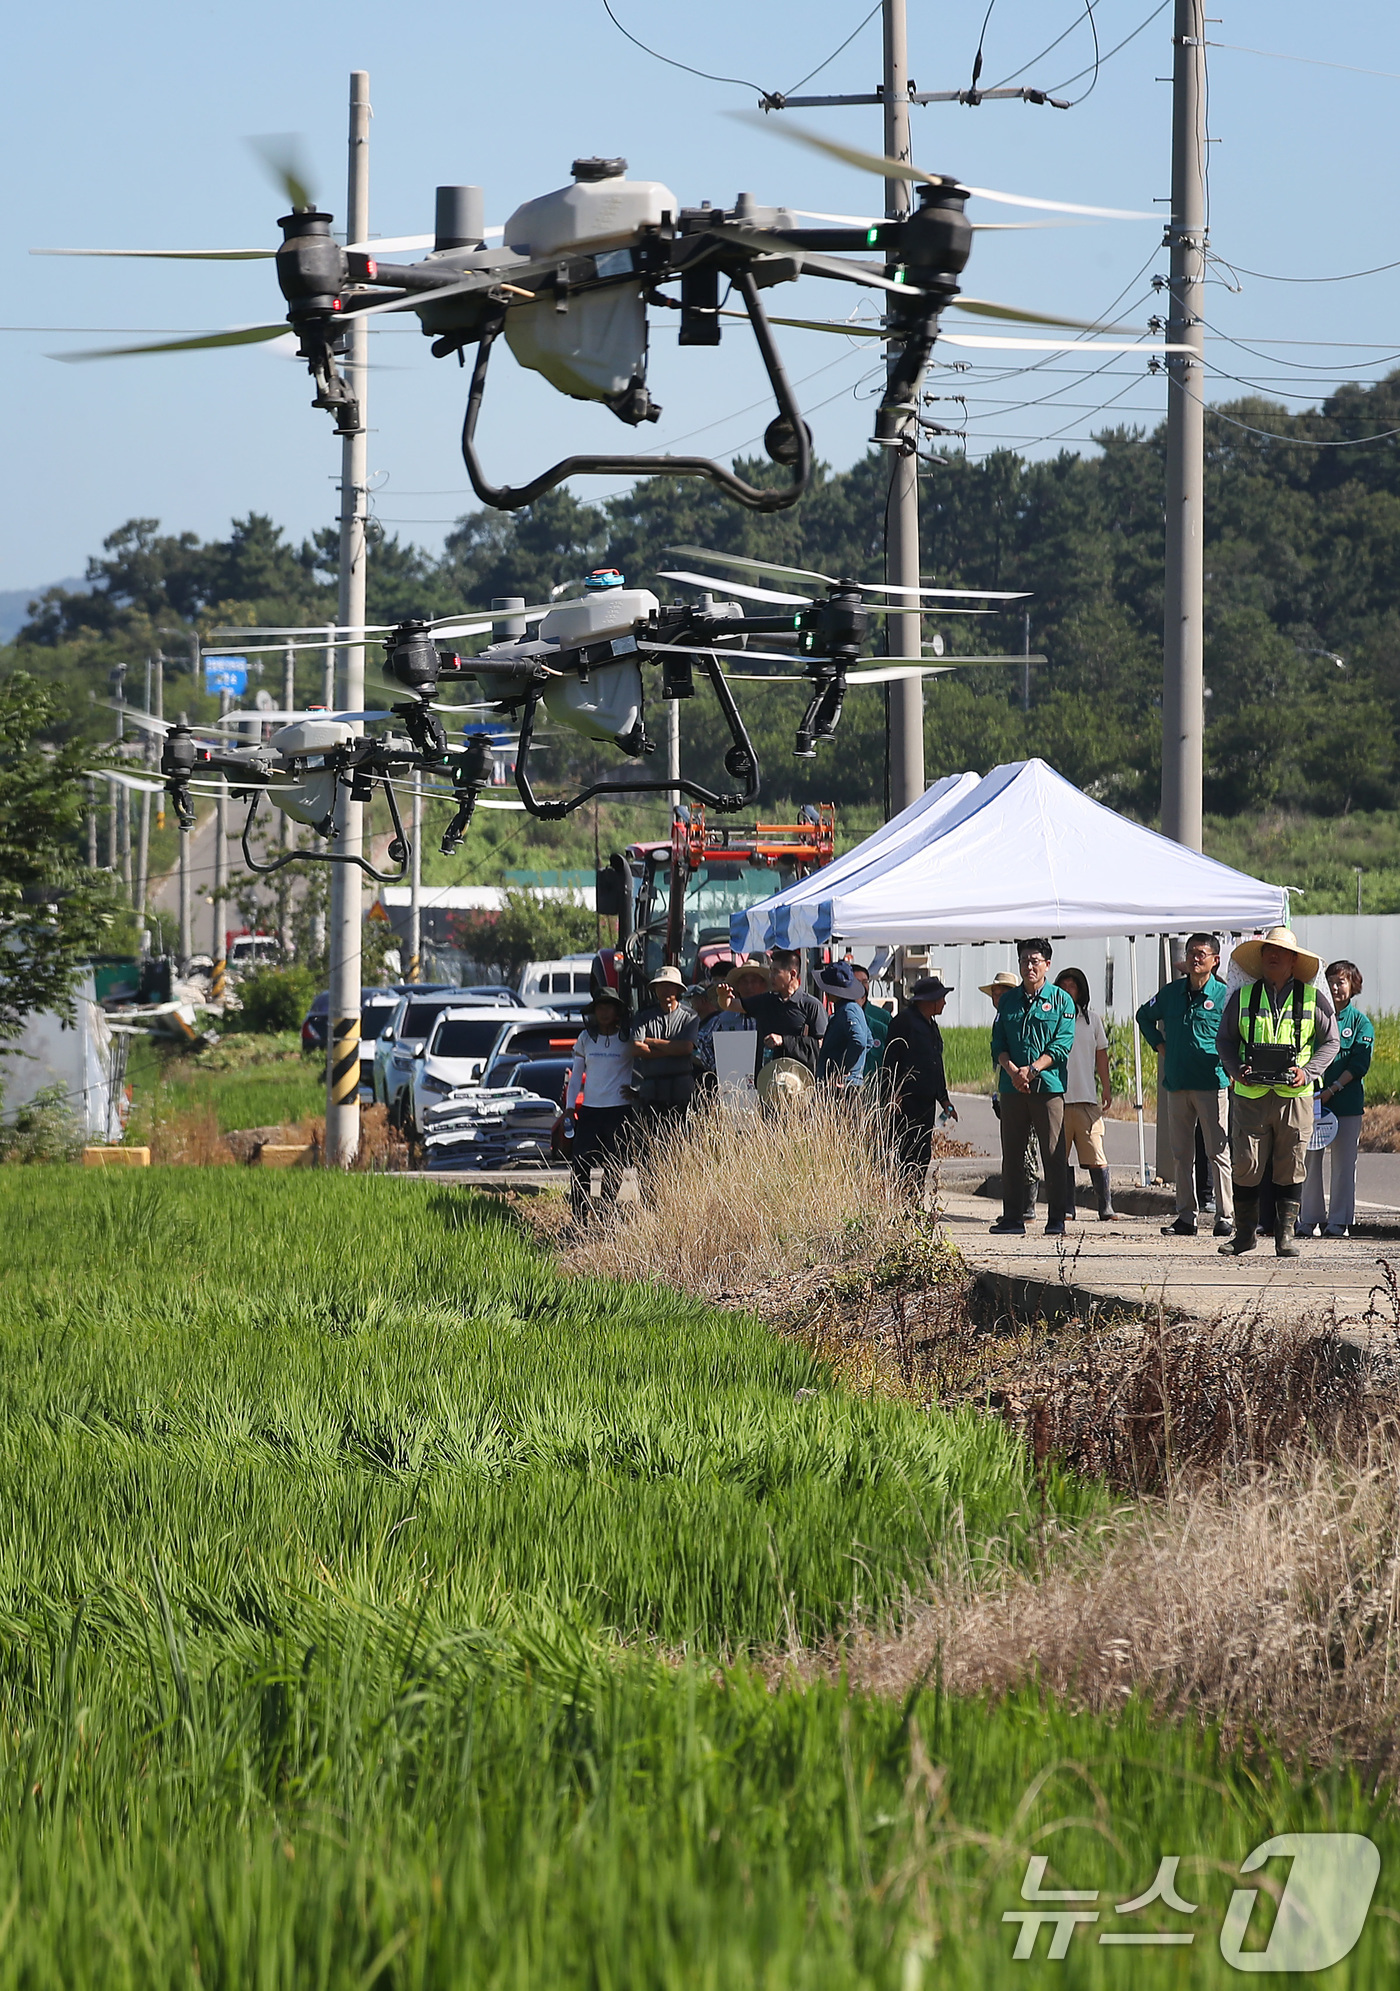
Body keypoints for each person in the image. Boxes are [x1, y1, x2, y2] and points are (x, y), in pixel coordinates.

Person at [1215, 926, 1340, 1258]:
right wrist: (1235, 1068)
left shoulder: (1314, 999)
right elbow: (1224, 1040)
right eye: (1267, 951)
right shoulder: (1243, 997)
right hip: (1251, 1095)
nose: (1271, 956)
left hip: (1294, 1096)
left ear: (1293, 960)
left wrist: (1309, 1072)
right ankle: (1244, 1236)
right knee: (1245, 1164)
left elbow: (1332, 1042)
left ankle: (1284, 1237)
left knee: (1291, 1163)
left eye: (1279, 952)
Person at [1135, 931, 1234, 1239]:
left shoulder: (1224, 995)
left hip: (1211, 1083)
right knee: (1182, 1153)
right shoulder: (1172, 993)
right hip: (1177, 1083)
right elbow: (1143, 1016)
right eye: (1191, 951)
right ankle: (1186, 1216)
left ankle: (1225, 1215)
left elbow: (1237, 1033)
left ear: (1215, 960)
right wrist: (1160, 1046)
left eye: (1202, 953)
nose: (1195, 957)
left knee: (1218, 1152)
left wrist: (1230, 1064)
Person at [989, 939, 1076, 1237]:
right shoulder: (1009, 1001)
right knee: (1012, 1154)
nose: (1030, 966)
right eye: (1025, 960)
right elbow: (998, 1043)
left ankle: (1056, 1218)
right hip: (1013, 1088)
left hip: (1047, 1087)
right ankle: (1012, 1217)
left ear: (1047, 965)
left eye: (1035, 960)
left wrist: (1034, 1069)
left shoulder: (1062, 1000)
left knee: (1053, 1153)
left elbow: (1062, 1044)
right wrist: (1013, 1070)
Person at [1300, 958, 1373, 1238]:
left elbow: (1358, 1065)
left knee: (1344, 1164)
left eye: (1341, 981)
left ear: (1353, 985)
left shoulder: (1360, 1023)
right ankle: (1308, 1218)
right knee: (1310, 1160)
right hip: (1313, 1102)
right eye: (1330, 981)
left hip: (1345, 1104)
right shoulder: (1316, 1015)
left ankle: (1339, 1221)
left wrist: (1332, 1090)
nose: (1335, 987)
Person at [1054, 967, 1119, 1222]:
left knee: (1096, 1155)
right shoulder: (1051, 1019)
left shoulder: (1092, 1020)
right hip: (1056, 1099)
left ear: (1081, 991)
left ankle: (1105, 1206)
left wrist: (1106, 1085)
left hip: (1086, 1100)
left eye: (1072, 986)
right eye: (1063, 985)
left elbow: (1101, 1056)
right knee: (1059, 1158)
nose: (1068, 990)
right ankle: (1066, 1208)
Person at [884, 974, 957, 1195]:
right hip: (906, 1103)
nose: (944, 1002)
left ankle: (914, 1201)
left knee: (922, 1153)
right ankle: (902, 1200)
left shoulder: (931, 1026)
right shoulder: (904, 1022)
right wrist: (891, 1094)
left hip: (926, 1103)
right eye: (941, 997)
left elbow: (936, 1065)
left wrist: (944, 1100)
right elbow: (890, 1060)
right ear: (930, 1000)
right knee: (905, 1153)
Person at [564, 991, 635, 1214]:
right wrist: (568, 1107)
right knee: (581, 1164)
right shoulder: (585, 1038)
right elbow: (576, 1077)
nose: (604, 1012)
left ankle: (606, 1213)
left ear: (617, 1012)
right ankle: (580, 1215)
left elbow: (642, 1067)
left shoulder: (629, 1037)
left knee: (614, 1164)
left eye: (609, 1007)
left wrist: (636, 1091)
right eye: (600, 1007)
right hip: (590, 1111)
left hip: (619, 1111)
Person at [981, 969, 1037, 1221]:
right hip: (1006, 1088)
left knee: (1028, 1150)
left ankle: (1028, 1206)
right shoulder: (999, 1017)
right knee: (1014, 1150)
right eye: (995, 992)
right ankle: (1017, 1207)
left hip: (1026, 1085)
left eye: (1002, 991)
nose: (997, 996)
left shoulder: (1018, 1014)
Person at [632, 965, 701, 1125]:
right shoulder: (643, 1015)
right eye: (661, 986)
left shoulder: (690, 1016)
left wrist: (651, 1041)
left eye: (669, 985)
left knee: (684, 1133)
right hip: (651, 1087)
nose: (665, 990)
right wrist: (673, 1049)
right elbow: (636, 1048)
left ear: (678, 989)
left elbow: (686, 1048)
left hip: (681, 1086)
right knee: (651, 1135)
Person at [741, 947, 826, 1076]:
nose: (771, 977)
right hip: (768, 1080)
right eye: (770, 971)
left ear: (792, 974)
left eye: (776, 972)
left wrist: (784, 1041)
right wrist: (724, 997)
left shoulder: (811, 1005)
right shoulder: (766, 1001)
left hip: (800, 1082)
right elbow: (733, 1005)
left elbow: (822, 1044)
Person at [815, 961, 874, 1086]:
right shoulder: (853, 1009)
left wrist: (844, 1069)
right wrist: (856, 1067)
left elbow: (860, 1041)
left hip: (841, 1085)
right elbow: (868, 1041)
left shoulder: (847, 1010)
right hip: (848, 1083)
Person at [850, 964, 891, 1075]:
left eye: (865, 982)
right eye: (857, 982)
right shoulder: (840, 1019)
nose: (862, 987)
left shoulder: (882, 1017)